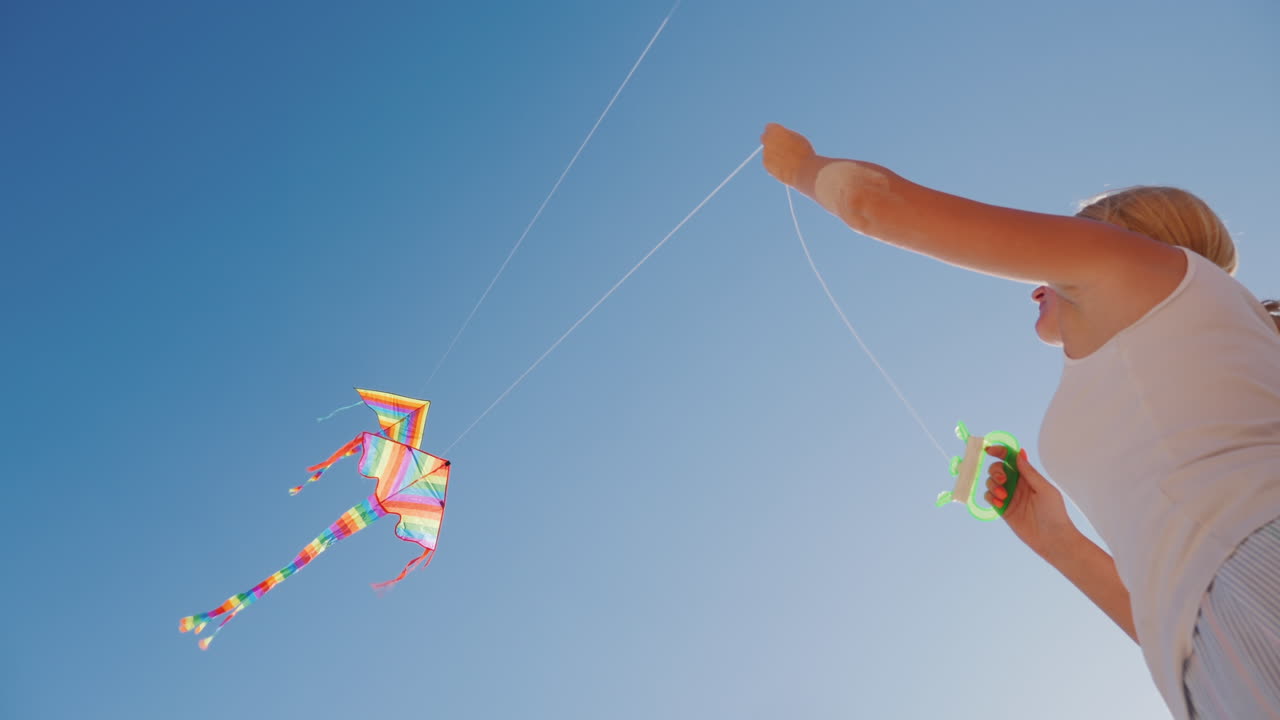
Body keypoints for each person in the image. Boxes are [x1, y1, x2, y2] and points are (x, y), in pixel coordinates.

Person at [760, 123, 1280, 719]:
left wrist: (798, 164)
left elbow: (874, 204)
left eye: (1068, 242)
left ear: (1114, 240)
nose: (1039, 282)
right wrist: (1057, 542)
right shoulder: (1182, 335)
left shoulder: (1152, 267)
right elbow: (1175, 621)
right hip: (1208, 667)